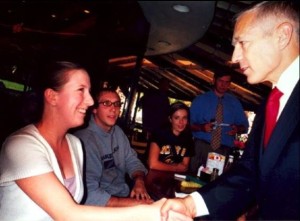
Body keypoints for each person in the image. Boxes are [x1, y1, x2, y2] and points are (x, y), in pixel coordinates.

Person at [0, 61, 191, 221]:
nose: (90, 101)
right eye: (81, 90)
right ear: (52, 96)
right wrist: (150, 209)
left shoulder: (74, 145)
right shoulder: (21, 145)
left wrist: (141, 186)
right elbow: (69, 213)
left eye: (89, 92)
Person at [161, 1, 299, 220]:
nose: (234, 58)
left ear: (282, 35)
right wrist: (191, 205)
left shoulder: (256, 102)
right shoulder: (271, 102)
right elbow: (251, 172)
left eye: (243, 42)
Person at [74, 87, 152, 207]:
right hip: (99, 206)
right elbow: (89, 194)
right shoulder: (85, 140)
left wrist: (139, 181)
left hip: (123, 193)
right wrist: (134, 204)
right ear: (94, 109)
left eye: (116, 104)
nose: (113, 109)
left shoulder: (117, 132)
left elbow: (132, 161)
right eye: (106, 103)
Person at [189, 71, 249, 174]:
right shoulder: (200, 100)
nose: (223, 85)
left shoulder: (235, 103)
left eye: (227, 82)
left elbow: (245, 127)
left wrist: (237, 129)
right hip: (201, 148)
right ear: (214, 81)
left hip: (223, 150)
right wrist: (201, 127)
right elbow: (187, 125)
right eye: (220, 81)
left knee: (215, 184)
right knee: (192, 178)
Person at [147, 101, 194, 172]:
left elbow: (184, 167)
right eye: (177, 118)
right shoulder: (159, 134)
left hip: (174, 177)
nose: (181, 122)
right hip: (153, 175)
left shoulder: (188, 139)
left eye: (184, 118)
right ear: (170, 119)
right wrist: (174, 167)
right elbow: (152, 164)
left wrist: (163, 166)